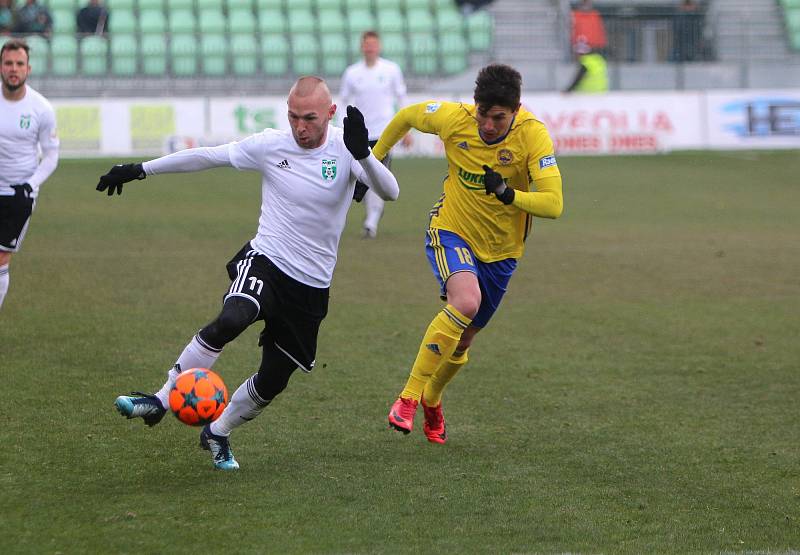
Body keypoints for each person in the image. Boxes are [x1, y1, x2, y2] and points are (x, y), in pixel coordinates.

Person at [101, 76, 399, 471]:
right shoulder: (270, 144)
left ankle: (218, 432)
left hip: (311, 285)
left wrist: (363, 155)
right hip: (267, 260)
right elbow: (207, 156)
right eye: (293, 117)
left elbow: (390, 191)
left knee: (274, 379)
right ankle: (159, 398)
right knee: (233, 316)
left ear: (329, 113)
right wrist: (141, 169)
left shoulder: (346, 148)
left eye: (309, 118)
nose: (300, 127)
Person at [375, 64, 563, 444]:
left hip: (503, 252)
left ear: (515, 110)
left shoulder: (533, 136)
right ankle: (409, 398)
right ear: (473, 105)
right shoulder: (453, 119)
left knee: (463, 341)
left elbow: (554, 204)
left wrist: (509, 195)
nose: (489, 125)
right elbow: (408, 115)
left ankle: (432, 397)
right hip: (451, 231)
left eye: (499, 118)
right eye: (483, 114)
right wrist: (373, 159)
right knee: (466, 302)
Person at [0, 39, 59, 311]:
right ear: (1, 66)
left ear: (28, 68)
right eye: (9, 63)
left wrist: (29, 185)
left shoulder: (41, 108)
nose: (14, 69)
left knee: (1, 257)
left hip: (18, 194)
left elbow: (51, 155)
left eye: (19, 64)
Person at [339, 30, 410, 239]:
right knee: (354, 178)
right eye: (366, 44)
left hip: (384, 134)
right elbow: (344, 101)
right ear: (362, 47)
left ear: (378, 47)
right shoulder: (352, 73)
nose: (370, 48)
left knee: (376, 177)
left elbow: (401, 98)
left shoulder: (391, 70)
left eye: (373, 44)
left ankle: (371, 222)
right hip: (360, 134)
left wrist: (406, 130)